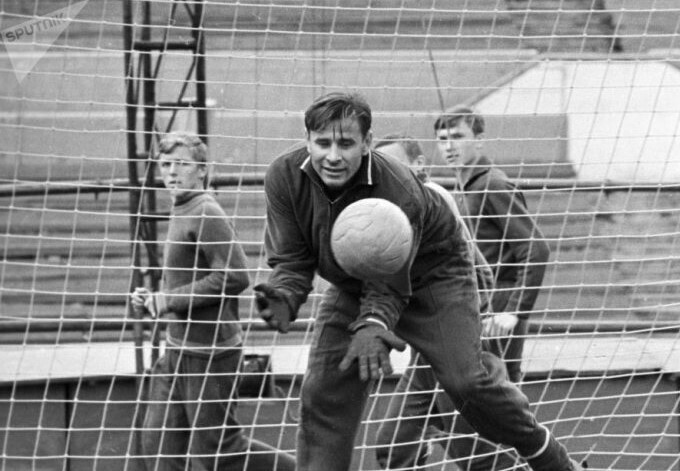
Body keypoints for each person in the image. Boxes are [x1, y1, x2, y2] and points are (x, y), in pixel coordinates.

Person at [254, 92, 581, 471]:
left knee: (466, 383)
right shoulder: (284, 176)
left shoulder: (399, 186)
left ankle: (548, 455)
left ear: (367, 142)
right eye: (323, 143)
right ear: (307, 140)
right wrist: (284, 293)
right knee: (324, 392)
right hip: (353, 285)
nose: (333, 156)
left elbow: (391, 283)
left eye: (346, 144)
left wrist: (373, 322)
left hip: (434, 278)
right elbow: (292, 258)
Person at [129, 132, 296, 471]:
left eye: (181, 164)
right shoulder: (182, 206)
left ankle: (304, 467)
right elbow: (187, 273)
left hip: (210, 355)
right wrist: (151, 298)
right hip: (177, 350)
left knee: (219, 453)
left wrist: (168, 300)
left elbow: (236, 276)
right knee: (158, 446)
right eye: (165, 165)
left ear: (202, 170)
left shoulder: (206, 211)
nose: (171, 172)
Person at [373, 134, 523, 470]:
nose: (388, 175)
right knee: (393, 446)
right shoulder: (385, 213)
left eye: (396, 166)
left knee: (476, 455)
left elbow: (479, 271)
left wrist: (476, 321)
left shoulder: (434, 199)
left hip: (454, 345)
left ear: (419, 165)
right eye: (381, 169)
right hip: (425, 352)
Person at [434, 106, 551, 383]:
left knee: (501, 387)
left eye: (457, 136)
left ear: (479, 140)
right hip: (474, 302)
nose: (449, 146)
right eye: (442, 139)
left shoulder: (493, 184)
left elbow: (535, 248)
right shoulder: (463, 188)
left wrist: (514, 311)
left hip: (498, 304)